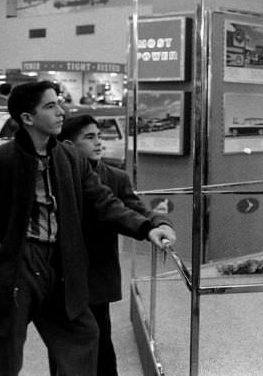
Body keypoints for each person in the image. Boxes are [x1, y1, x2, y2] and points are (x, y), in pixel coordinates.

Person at [0, 80, 176, 376]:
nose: (61, 111)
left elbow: (104, 201)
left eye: (59, 103)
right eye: (51, 105)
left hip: (61, 262)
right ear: (28, 118)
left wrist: (146, 228)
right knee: (5, 354)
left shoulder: (69, 158)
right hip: (16, 265)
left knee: (82, 338)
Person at [48, 114, 172, 376]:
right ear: (68, 145)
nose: (98, 143)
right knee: (64, 352)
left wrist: (160, 223)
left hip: (96, 277)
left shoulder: (115, 177)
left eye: (100, 136)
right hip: (61, 278)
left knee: (101, 346)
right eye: (89, 137)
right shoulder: (52, 177)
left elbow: (135, 209)